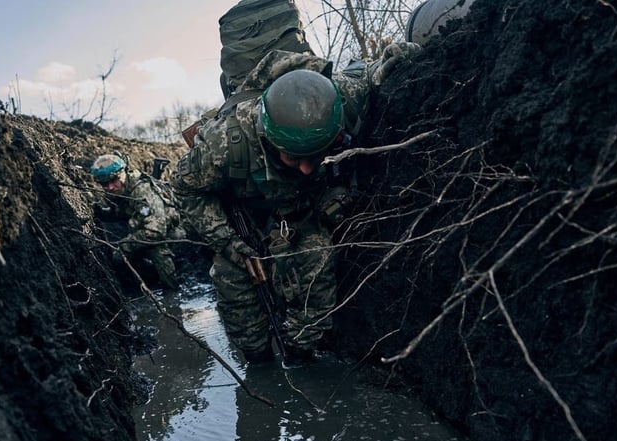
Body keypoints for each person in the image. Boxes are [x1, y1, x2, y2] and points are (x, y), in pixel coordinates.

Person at [171, 45, 418, 365]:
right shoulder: (225, 143)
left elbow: (370, 73)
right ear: (267, 137)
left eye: (315, 156)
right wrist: (230, 243)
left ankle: (302, 355)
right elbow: (185, 189)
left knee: (316, 267)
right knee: (239, 303)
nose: (305, 168)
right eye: (293, 158)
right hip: (246, 220)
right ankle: (258, 361)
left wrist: (393, 62)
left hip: (303, 213)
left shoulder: (338, 100)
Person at [91, 153, 184, 290]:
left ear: (123, 173)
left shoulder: (142, 191)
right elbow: (122, 212)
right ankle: (146, 280)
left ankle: (172, 291)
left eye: (113, 180)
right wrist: (102, 213)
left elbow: (156, 231)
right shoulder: (121, 189)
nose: (110, 187)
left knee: (156, 250)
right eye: (104, 184)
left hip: (173, 234)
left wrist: (125, 246)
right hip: (144, 231)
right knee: (122, 257)